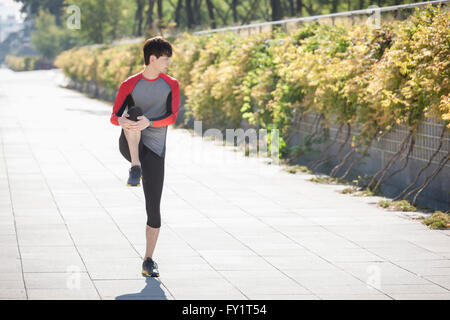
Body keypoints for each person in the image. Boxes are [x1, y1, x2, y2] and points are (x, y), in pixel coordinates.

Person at [110, 36, 180, 277]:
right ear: (152, 59)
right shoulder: (129, 84)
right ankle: (135, 167)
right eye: (165, 59)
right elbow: (114, 116)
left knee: (154, 207)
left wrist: (151, 122)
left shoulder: (171, 84)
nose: (168, 63)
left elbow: (172, 117)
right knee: (134, 113)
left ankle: (148, 260)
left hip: (155, 151)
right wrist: (122, 120)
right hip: (130, 145)